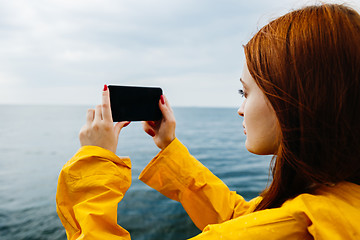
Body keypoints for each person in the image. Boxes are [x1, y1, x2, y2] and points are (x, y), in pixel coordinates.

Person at [56, 3, 360, 239]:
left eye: (245, 91)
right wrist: (169, 148)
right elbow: (243, 219)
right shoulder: (337, 201)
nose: (240, 109)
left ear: (299, 100)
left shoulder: (294, 227)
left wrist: (94, 161)